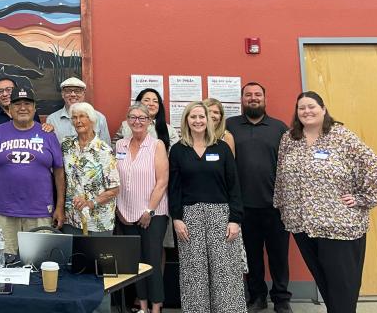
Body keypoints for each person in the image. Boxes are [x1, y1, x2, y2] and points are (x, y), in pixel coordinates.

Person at [274, 92, 377, 313]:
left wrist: (363, 198)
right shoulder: (289, 139)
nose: (307, 111)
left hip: (338, 225)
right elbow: (280, 174)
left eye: (312, 106)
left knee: (342, 287)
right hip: (302, 224)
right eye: (301, 108)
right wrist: (282, 205)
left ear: (323, 109)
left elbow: (376, 166)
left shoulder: (341, 136)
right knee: (325, 283)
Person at [169, 101, 245, 313]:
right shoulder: (177, 150)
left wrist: (235, 219)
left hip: (221, 215)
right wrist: (176, 218)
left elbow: (234, 185)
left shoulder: (221, 148)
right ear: (186, 120)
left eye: (202, 117)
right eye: (193, 117)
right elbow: (174, 188)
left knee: (224, 270)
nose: (198, 121)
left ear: (209, 120)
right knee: (194, 271)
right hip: (189, 217)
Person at [225, 82, 292, 313]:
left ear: (264, 98)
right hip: (244, 207)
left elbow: (289, 166)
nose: (253, 98)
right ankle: (257, 297)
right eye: (248, 95)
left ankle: (281, 299)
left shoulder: (280, 128)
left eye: (258, 95)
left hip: (276, 207)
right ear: (242, 99)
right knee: (252, 257)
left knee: (279, 257)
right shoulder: (230, 126)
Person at [0, 87, 65, 254]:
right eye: (17, 104)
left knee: (39, 262)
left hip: (40, 212)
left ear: (34, 108)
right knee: (6, 262)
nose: (23, 108)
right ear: (9, 109)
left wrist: (60, 207)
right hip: (5, 213)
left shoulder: (47, 134)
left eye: (27, 103)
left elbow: (59, 172)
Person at [115, 102, 168, 313]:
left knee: (152, 261)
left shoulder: (157, 145)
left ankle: (156, 307)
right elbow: (115, 179)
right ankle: (142, 306)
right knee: (135, 263)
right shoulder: (120, 146)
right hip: (125, 213)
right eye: (133, 117)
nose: (137, 121)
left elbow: (162, 181)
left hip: (152, 214)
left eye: (142, 118)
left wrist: (149, 210)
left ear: (150, 121)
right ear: (127, 121)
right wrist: (119, 209)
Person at [60, 101, 119, 235]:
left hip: (98, 221)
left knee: (97, 256)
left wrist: (90, 203)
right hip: (72, 218)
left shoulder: (104, 150)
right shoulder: (66, 145)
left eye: (82, 116)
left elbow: (114, 189)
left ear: (91, 120)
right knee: (73, 256)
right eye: (74, 117)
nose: (78, 121)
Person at [47, 77, 111, 145]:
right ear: (62, 94)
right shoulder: (52, 119)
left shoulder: (99, 118)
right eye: (68, 91)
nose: (73, 94)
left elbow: (106, 146)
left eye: (77, 91)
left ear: (84, 93)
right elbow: (49, 146)